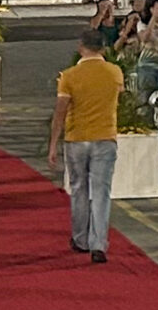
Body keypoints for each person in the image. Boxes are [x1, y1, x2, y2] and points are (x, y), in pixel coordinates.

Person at [49, 31, 125, 263]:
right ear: (103, 49)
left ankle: (80, 238)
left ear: (81, 47)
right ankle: (98, 243)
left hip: (77, 138)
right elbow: (118, 95)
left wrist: (53, 144)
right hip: (105, 136)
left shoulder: (69, 76)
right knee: (101, 192)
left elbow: (60, 112)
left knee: (79, 189)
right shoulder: (115, 72)